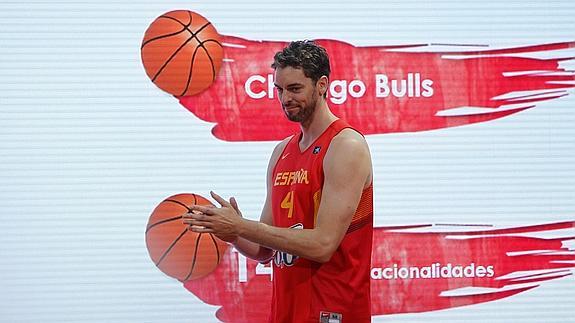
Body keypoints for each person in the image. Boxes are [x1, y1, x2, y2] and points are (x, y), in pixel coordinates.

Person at [184, 40, 373, 323]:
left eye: (295, 88)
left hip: (333, 311)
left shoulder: (346, 145)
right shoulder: (281, 152)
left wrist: (242, 226)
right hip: (286, 311)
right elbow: (264, 250)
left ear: (322, 85)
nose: (285, 98)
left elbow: (323, 245)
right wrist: (232, 234)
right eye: (280, 89)